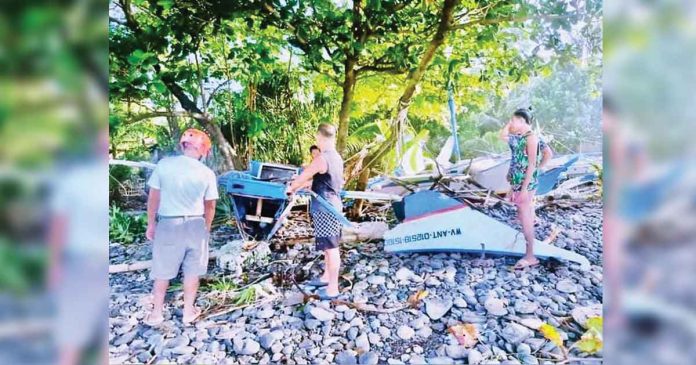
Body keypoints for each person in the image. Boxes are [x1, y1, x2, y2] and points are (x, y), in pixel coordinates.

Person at [144, 128, 218, 326]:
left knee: (162, 270)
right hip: (196, 224)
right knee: (192, 270)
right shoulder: (207, 173)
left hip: (169, 223)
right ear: (203, 150)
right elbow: (210, 205)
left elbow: (153, 198)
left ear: (182, 145)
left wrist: (151, 224)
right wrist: (207, 228)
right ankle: (188, 312)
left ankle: (156, 314)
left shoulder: (164, 165)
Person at [48, 127, 109, 365]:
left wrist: (53, 264)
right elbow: (58, 226)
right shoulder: (75, 180)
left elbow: (57, 226)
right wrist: (53, 264)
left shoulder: (74, 179)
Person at [287, 124, 344, 300]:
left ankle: (333, 289)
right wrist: (304, 185)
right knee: (328, 246)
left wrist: (292, 187)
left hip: (326, 207)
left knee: (332, 247)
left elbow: (305, 175)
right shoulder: (337, 158)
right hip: (332, 204)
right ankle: (327, 277)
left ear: (319, 137)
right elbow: (326, 181)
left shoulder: (322, 158)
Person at [499, 108, 552, 269]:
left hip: (525, 184)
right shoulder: (521, 137)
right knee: (524, 216)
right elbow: (504, 138)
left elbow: (531, 164)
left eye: (513, 120)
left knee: (526, 217)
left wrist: (523, 189)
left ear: (522, 121)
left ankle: (530, 256)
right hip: (519, 181)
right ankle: (529, 252)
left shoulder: (531, 138)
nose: (511, 123)